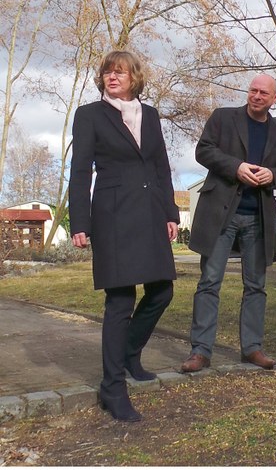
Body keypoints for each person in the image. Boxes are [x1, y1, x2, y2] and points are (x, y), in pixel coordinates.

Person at [69, 50, 179, 422]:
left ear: (134, 77)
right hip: (113, 214)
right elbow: (81, 170)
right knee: (120, 301)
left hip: (150, 213)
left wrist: (170, 212)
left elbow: (161, 165)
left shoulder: (149, 114)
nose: (112, 77)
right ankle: (112, 388)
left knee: (163, 289)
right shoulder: (89, 115)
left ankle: (130, 352)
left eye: (120, 72)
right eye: (107, 72)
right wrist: (79, 222)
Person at [180, 74, 276, 373]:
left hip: (258, 216)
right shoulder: (222, 118)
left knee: (256, 285)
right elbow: (203, 150)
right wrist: (236, 167)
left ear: (275, 98)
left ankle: (253, 349)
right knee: (209, 282)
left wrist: (273, 175)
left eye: (263, 93)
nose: (256, 96)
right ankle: (201, 351)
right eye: (253, 90)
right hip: (221, 213)